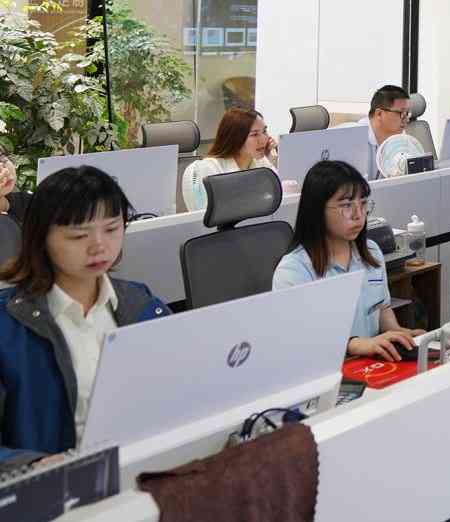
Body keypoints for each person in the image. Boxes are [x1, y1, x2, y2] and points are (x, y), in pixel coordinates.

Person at [0, 166, 169, 467]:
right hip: (52, 486)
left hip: (144, 468)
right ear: (41, 238)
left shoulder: (141, 303)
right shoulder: (8, 323)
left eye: (112, 229)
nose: (99, 246)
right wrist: (32, 464)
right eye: (78, 235)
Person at [272, 160, 413, 361]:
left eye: (363, 203)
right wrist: (354, 344)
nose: (358, 215)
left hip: (371, 364)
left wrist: (399, 334)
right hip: (325, 368)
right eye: (347, 205)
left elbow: (382, 309)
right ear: (317, 210)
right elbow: (298, 339)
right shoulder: (293, 270)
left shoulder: (372, 252)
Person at [180, 108, 279, 212]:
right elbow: (214, 214)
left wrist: (273, 160)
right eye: (254, 134)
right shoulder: (209, 168)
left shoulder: (261, 162)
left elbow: (280, 195)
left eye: (264, 131)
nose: (264, 139)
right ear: (236, 138)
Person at [365, 85, 411, 179]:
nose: (406, 119)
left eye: (407, 113)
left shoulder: (402, 139)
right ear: (379, 114)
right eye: (401, 113)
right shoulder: (355, 140)